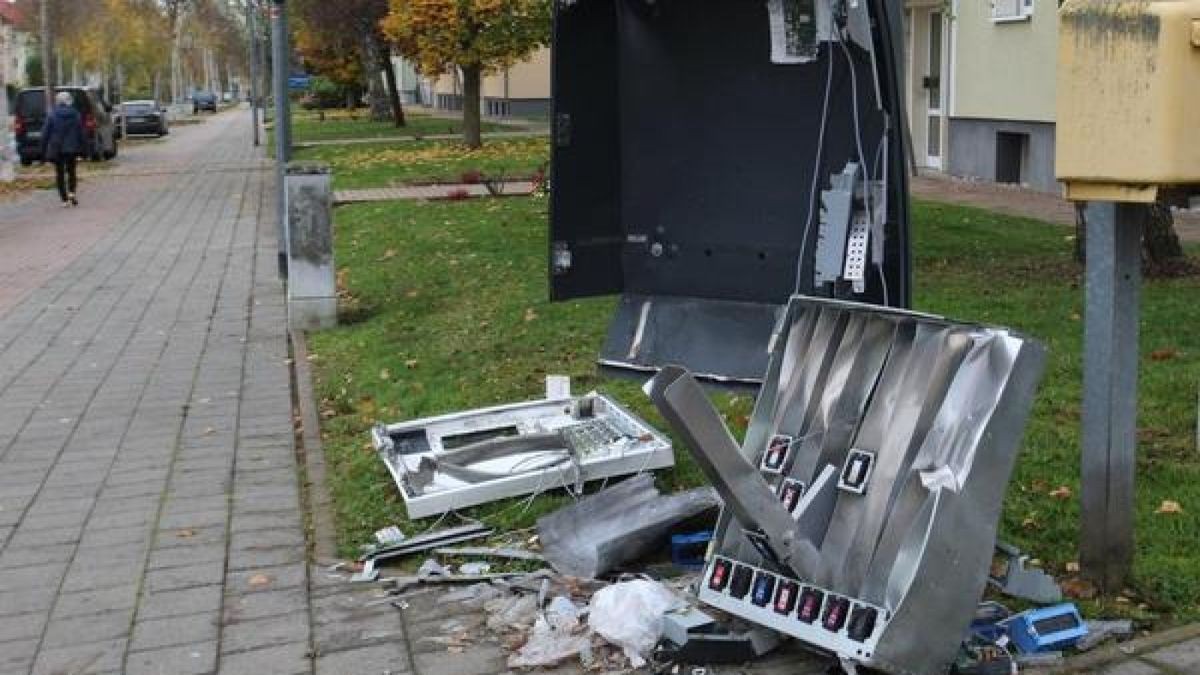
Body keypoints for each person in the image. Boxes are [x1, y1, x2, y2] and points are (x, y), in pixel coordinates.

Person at [40, 91, 85, 207]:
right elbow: (81, 133)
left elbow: (45, 133)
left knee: (59, 174)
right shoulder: (76, 114)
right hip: (72, 148)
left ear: (58, 101)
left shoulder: (52, 114)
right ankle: (72, 193)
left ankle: (64, 200)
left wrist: (43, 150)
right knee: (72, 172)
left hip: (57, 149)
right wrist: (84, 149)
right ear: (69, 101)